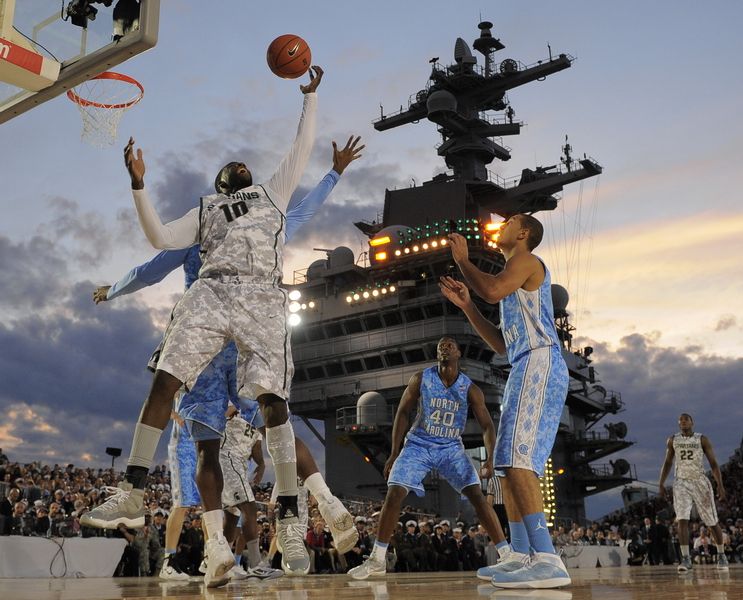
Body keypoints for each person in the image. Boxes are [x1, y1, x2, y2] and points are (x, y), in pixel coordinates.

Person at [79, 66, 355, 584]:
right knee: (165, 380)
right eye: (230, 166)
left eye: (242, 163)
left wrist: (311, 98)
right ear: (221, 183)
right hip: (211, 294)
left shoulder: (273, 197)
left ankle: (292, 516)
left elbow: (302, 149)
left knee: (273, 402)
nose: (238, 164)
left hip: (259, 296)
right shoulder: (205, 213)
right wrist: (139, 185)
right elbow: (158, 243)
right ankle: (133, 494)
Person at [439, 214, 571, 589]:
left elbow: (493, 290)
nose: (503, 224)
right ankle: (521, 554)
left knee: (519, 459)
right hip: (520, 362)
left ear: (524, 233)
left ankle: (547, 558)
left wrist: (464, 262)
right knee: (506, 463)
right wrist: (468, 306)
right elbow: (500, 343)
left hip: (539, 360)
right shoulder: (512, 277)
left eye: (511, 220)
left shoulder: (525, 261)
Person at [349, 337, 508, 580]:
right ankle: (376, 560)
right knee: (394, 492)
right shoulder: (421, 378)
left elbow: (487, 425)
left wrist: (489, 458)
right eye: (441, 346)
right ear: (437, 354)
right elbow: (403, 412)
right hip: (418, 444)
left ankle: (507, 557)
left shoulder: (470, 388)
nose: (445, 347)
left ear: (458, 353)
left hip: (450, 447)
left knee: (477, 495)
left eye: (450, 345)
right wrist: (394, 453)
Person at [658, 412, 729, 572]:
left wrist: (720, 485)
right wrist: (661, 483)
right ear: (678, 424)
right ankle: (685, 558)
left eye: (686, 420)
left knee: (711, 521)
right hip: (681, 482)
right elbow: (668, 462)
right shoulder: (673, 440)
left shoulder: (702, 439)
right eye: (681, 420)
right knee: (682, 519)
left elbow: (713, 463)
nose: (683, 422)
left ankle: (721, 554)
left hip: (700, 481)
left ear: (692, 423)